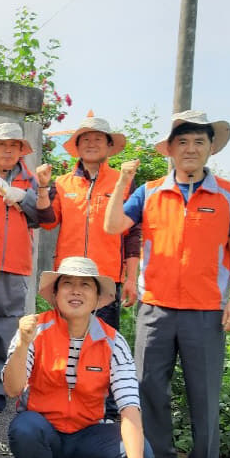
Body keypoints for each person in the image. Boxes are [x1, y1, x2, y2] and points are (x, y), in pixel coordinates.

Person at [104, 110, 230, 458]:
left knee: (204, 396)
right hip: (156, 308)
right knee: (148, 387)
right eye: (181, 142)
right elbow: (113, 224)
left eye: (198, 142)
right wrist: (121, 182)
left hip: (206, 311)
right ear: (169, 149)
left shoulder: (228, 194)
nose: (190, 149)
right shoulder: (149, 192)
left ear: (209, 148)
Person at [3, 257, 153, 458]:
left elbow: (129, 406)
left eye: (85, 285)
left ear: (97, 298)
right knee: (22, 429)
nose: (75, 290)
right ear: (55, 294)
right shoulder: (35, 330)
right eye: (68, 284)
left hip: (88, 436)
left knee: (142, 453)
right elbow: (13, 389)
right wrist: (23, 345)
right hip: (44, 431)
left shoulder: (113, 342)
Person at [0, 123, 54, 412]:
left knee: (6, 327)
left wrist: (25, 199)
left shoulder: (34, 180)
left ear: (22, 149)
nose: (7, 150)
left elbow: (45, 219)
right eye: (0, 144)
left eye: (13, 145)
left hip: (15, 262)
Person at [42, 116, 140, 332]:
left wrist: (131, 279)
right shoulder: (61, 182)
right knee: (64, 339)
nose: (91, 144)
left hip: (105, 278)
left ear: (109, 146)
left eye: (98, 139)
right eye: (85, 139)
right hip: (68, 276)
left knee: (102, 342)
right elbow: (48, 222)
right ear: (77, 146)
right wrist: (42, 188)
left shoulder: (122, 181)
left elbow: (132, 233)